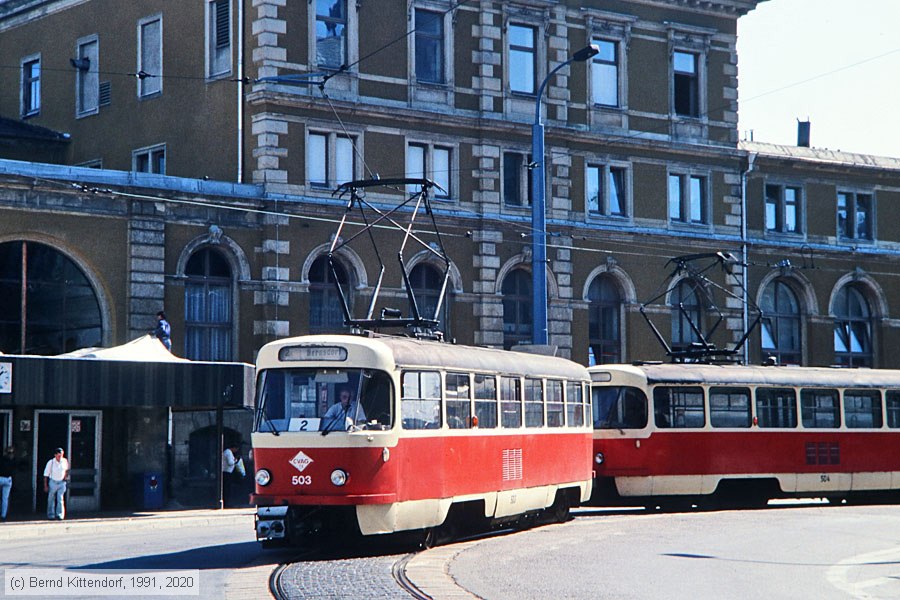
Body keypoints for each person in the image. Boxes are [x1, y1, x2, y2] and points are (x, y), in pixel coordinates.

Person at [43, 448, 69, 521]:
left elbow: (66, 470)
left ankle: (60, 515)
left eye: (61, 455)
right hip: (53, 482)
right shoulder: (51, 462)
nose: (60, 457)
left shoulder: (64, 461)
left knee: (60, 499)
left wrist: (65, 477)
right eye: (58, 455)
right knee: (51, 499)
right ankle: (51, 515)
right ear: (55, 455)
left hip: (61, 482)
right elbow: (46, 475)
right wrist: (45, 485)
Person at [0, 446, 14, 522]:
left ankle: (3, 514)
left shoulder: (2, 459)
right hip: (8, 479)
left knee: (3, 498)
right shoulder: (12, 461)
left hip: (1, 477)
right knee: (5, 498)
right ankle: (3, 515)